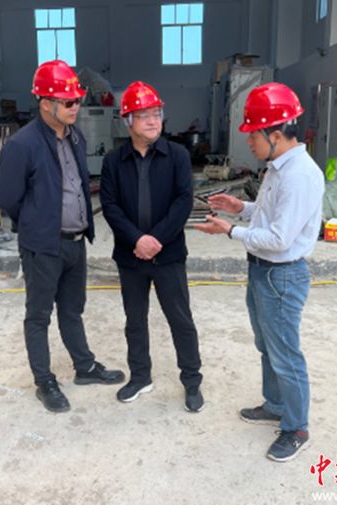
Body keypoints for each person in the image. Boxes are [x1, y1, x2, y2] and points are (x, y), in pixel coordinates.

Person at [195, 82, 324, 460]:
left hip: (281, 275)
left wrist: (230, 231)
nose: (249, 143)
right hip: (263, 272)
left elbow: (280, 238)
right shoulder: (278, 168)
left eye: (253, 135)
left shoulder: (299, 175)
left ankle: (296, 428)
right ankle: (276, 404)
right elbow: (270, 216)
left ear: (276, 135)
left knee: (285, 353)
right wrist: (240, 208)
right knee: (267, 346)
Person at [0, 60, 124, 413]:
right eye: (68, 102)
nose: (75, 107)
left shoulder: (76, 137)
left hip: (75, 242)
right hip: (43, 247)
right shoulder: (22, 145)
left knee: (72, 309)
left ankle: (84, 367)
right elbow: (9, 199)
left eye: (77, 100)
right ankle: (44, 382)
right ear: (45, 103)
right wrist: (37, 225)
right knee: (39, 315)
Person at [100, 81, 204, 412]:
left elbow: (183, 201)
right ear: (127, 121)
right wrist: (137, 240)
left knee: (180, 319)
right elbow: (110, 206)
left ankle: (191, 381)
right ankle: (140, 376)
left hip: (168, 255)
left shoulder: (177, 156)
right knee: (135, 320)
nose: (152, 121)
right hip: (130, 257)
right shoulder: (114, 161)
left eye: (156, 114)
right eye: (143, 115)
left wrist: (156, 240)